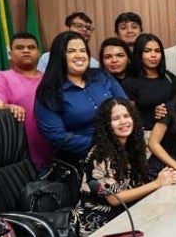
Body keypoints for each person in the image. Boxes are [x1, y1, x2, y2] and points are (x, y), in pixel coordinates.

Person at [74, 98, 176, 237]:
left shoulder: (132, 146)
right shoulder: (101, 152)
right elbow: (114, 199)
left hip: (126, 216)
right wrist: (157, 183)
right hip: (99, 225)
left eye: (126, 116)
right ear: (107, 124)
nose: (123, 122)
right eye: (116, 118)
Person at [35, 31, 128, 164]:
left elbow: (126, 108)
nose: (79, 56)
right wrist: (104, 145)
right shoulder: (49, 92)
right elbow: (56, 136)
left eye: (83, 50)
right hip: (80, 160)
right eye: (71, 51)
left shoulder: (102, 76)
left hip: (121, 151)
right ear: (59, 56)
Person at [0, 32, 50, 168]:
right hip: (21, 163)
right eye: (20, 47)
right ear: (10, 54)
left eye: (31, 47)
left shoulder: (50, 79)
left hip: (58, 156)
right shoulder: (0, 78)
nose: (26, 50)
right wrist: (8, 107)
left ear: (39, 52)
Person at [121, 33, 174, 137]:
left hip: (171, 133)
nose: (153, 55)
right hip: (146, 135)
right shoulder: (130, 83)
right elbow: (130, 117)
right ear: (139, 54)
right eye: (147, 51)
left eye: (157, 51)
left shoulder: (169, 76)